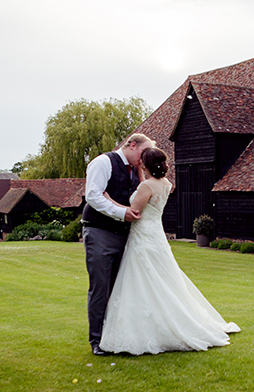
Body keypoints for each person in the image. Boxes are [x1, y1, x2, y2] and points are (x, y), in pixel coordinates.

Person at [99, 147, 239, 355]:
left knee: (143, 279)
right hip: (156, 235)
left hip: (143, 236)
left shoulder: (146, 186)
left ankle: (152, 329)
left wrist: (108, 200)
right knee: (163, 279)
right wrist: (141, 172)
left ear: (145, 165)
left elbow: (134, 211)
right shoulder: (166, 184)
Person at [82, 133, 155, 356]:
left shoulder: (136, 170)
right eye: (142, 153)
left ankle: (114, 336)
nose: (144, 159)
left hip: (125, 236)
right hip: (99, 232)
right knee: (101, 287)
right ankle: (96, 340)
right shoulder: (103, 162)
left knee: (119, 288)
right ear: (132, 145)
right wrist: (121, 212)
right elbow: (93, 196)